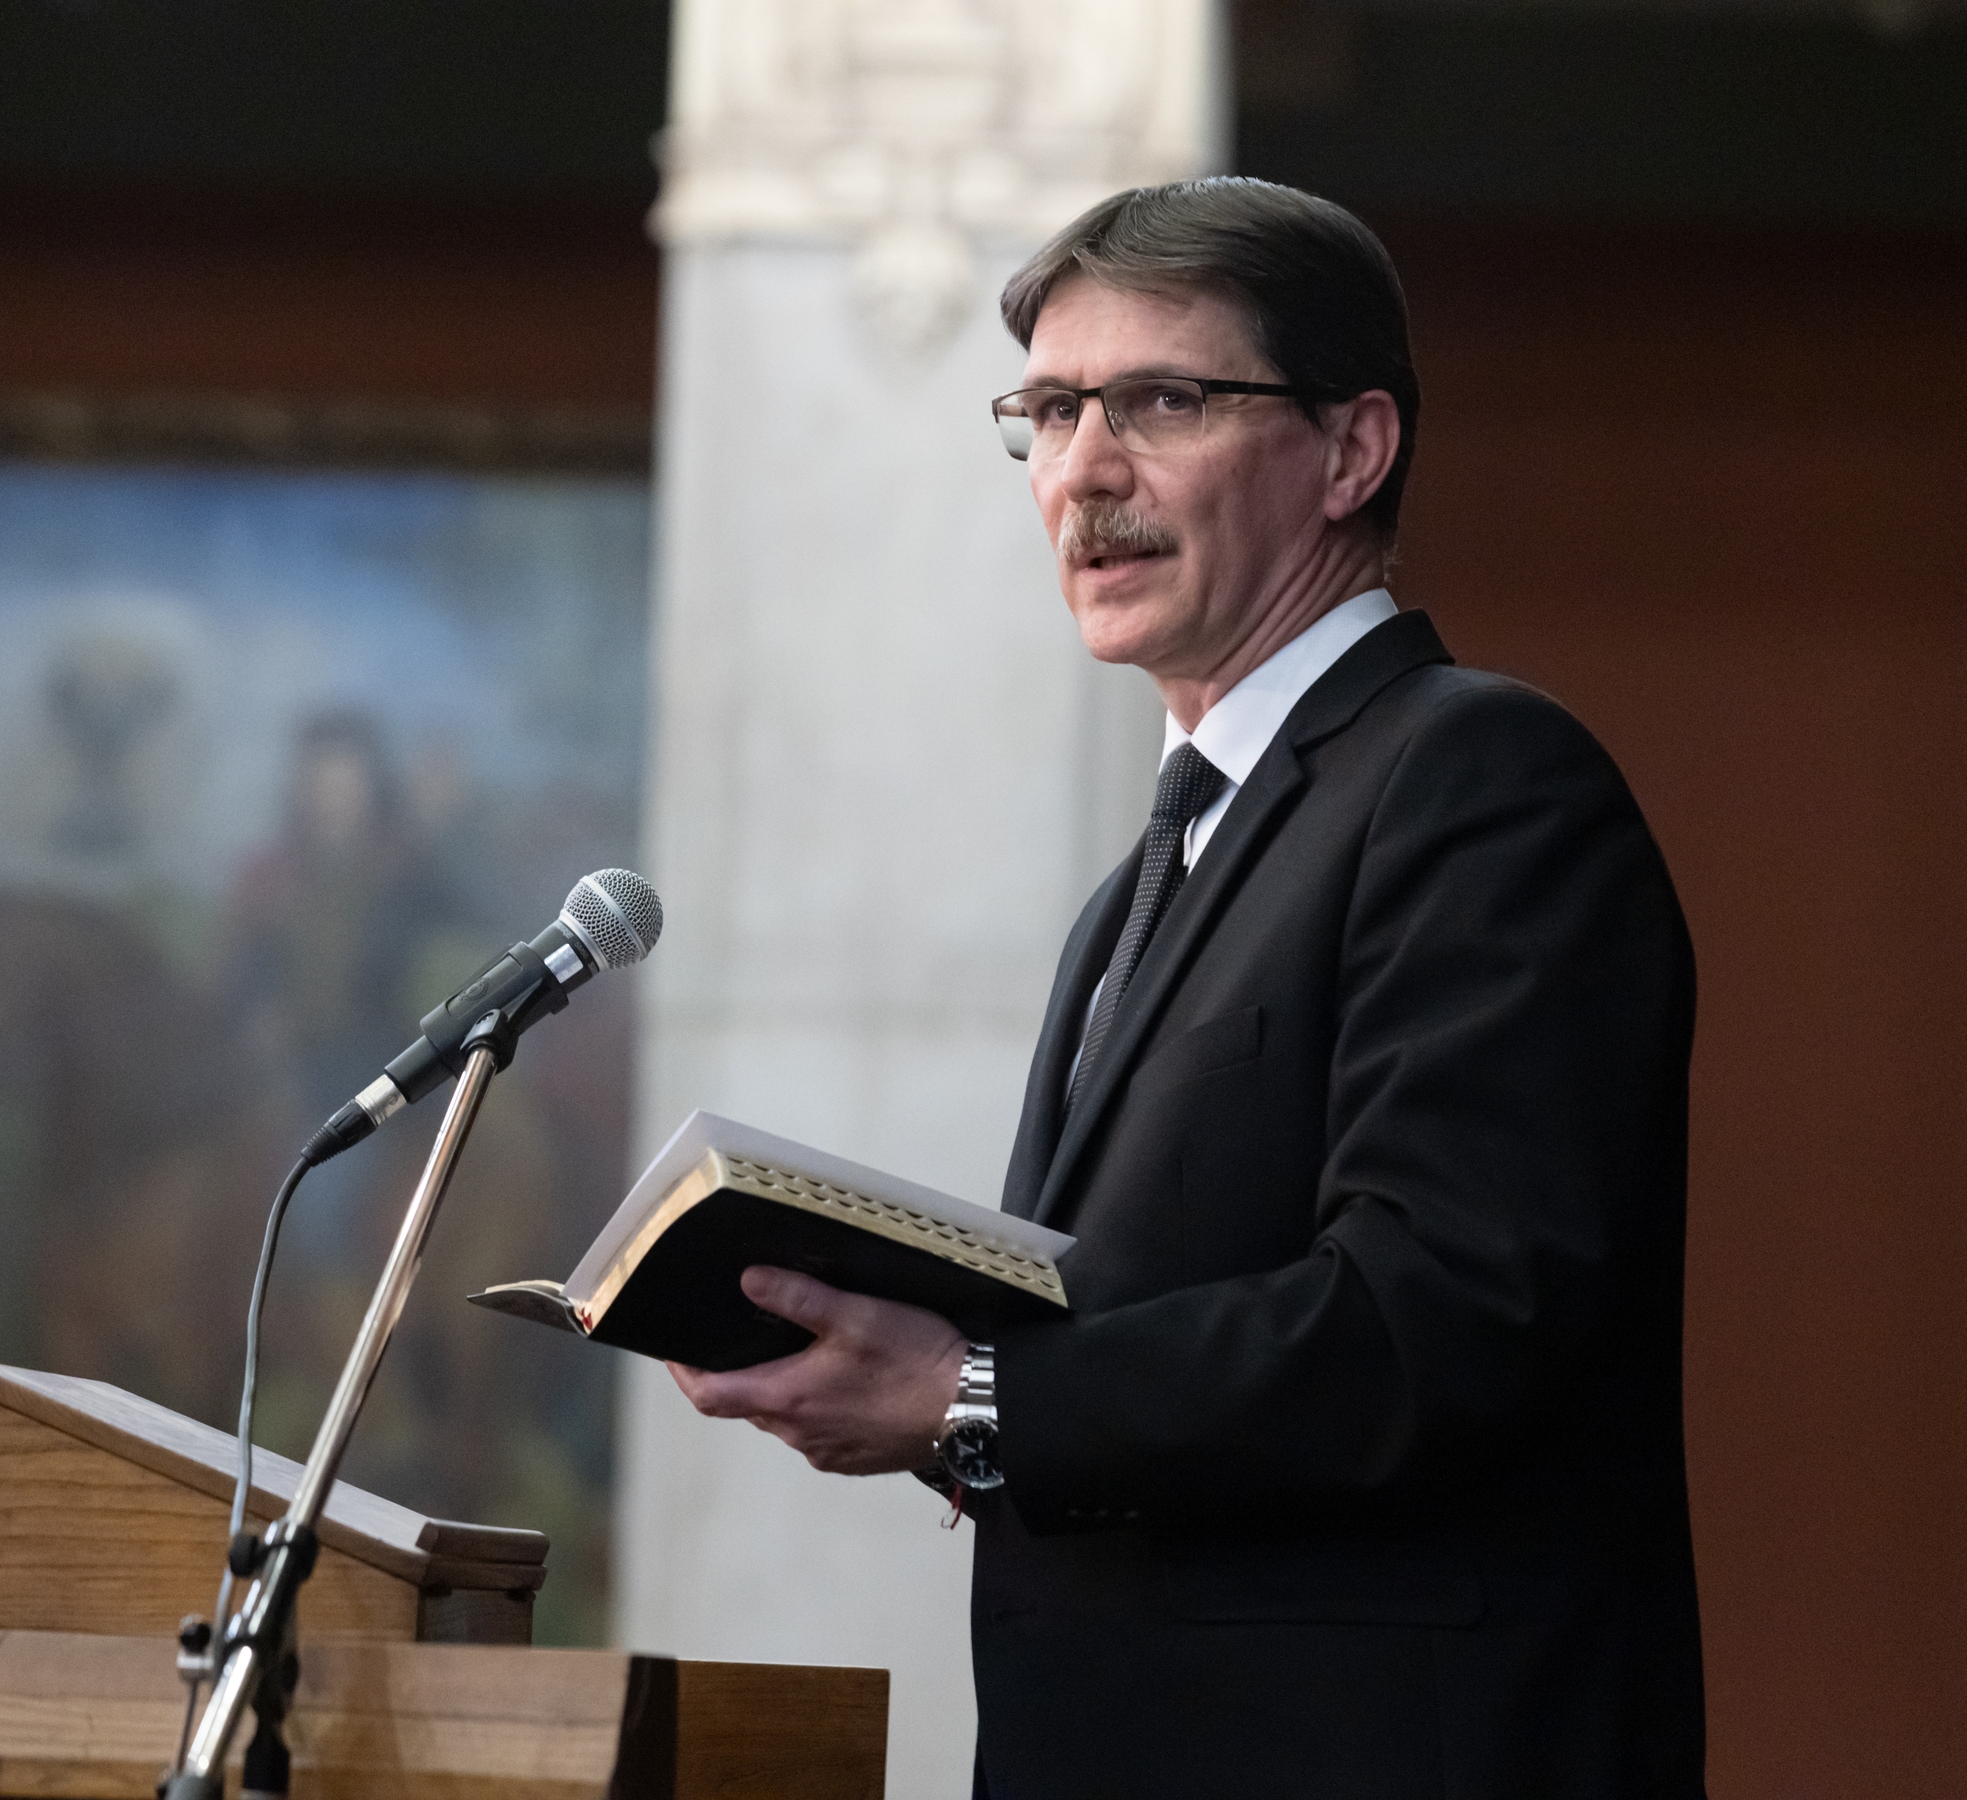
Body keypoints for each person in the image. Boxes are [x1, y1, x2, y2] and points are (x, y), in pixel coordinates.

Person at [669, 177, 1704, 1795]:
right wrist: (916, 1369)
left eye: (1163, 401)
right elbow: (1151, 1328)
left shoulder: (1479, 781)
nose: (1086, 470)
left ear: (1352, 451)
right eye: (1052, 411)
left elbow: (1445, 1316)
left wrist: (976, 1393)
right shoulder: (1138, 892)